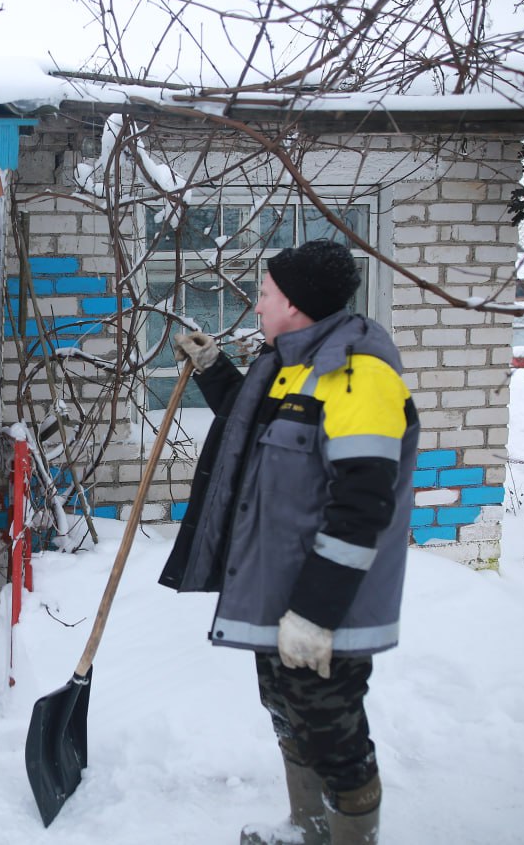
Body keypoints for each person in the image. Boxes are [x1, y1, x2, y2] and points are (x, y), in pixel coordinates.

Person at [163, 239, 419, 845]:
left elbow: (362, 509)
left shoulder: (358, 379)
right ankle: (307, 829)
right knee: (289, 711)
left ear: (296, 305)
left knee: (333, 733)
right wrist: (212, 368)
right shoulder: (291, 367)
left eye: (265, 294)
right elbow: (251, 425)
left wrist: (315, 613)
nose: (257, 306)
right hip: (280, 591)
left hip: (325, 602)